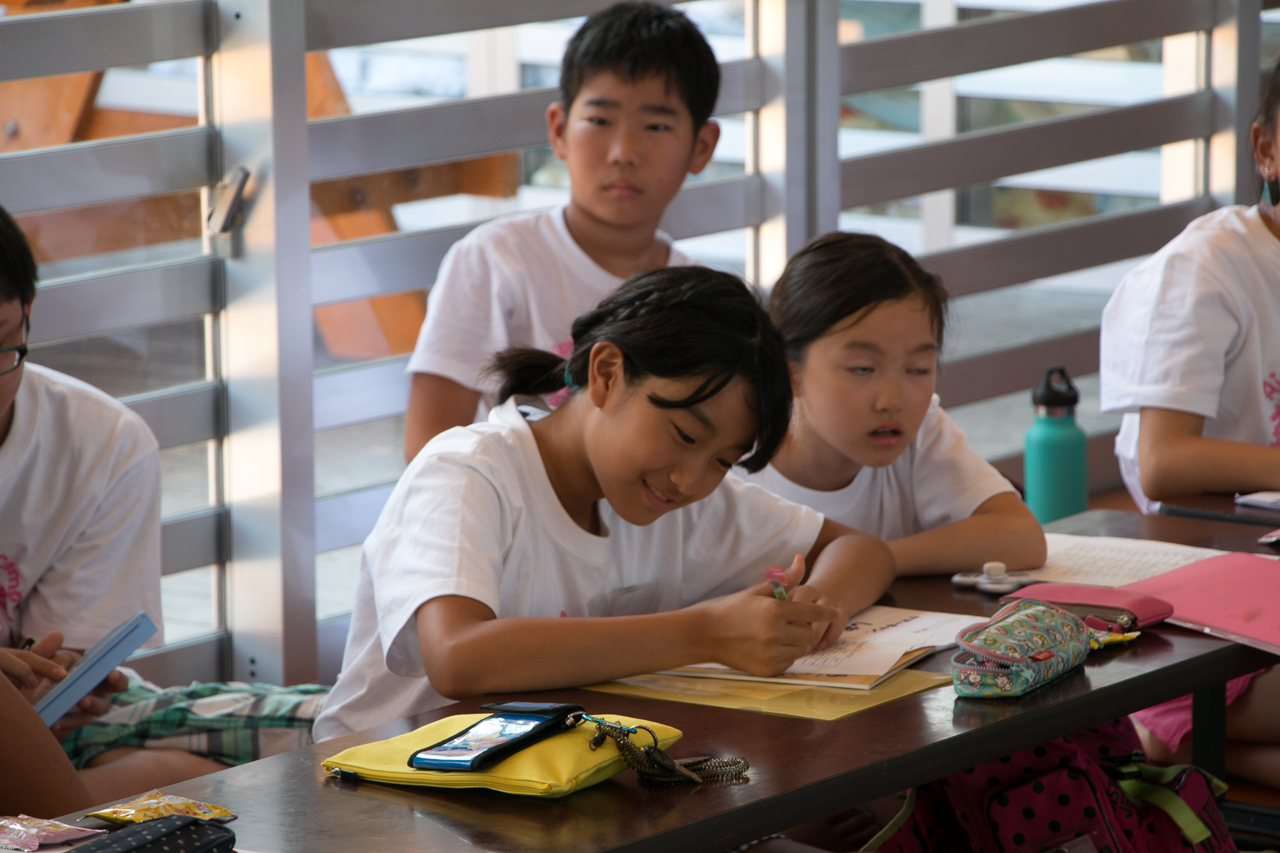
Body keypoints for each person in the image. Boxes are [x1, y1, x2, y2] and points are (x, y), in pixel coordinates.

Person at [313, 267, 896, 740]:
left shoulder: (678, 500)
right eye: (686, 436)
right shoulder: (470, 472)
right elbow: (461, 658)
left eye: (724, 459)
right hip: (381, 792)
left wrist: (817, 609)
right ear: (608, 373)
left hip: (541, 790)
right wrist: (707, 634)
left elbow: (858, 548)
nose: (690, 479)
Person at [0, 202, 324, 803]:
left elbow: (64, 674)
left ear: (28, 317)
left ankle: (98, 798)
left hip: (64, 728)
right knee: (199, 781)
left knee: (337, 726)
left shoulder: (100, 441)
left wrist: (70, 676)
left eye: (2, 351)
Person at [402, 1, 722, 459]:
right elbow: (427, 452)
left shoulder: (703, 303)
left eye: (656, 125)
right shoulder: (494, 261)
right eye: (599, 120)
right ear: (558, 130)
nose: (623, 151)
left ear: (702, 146)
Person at [1099, 62, 1280, 789]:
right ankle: (1168, 727)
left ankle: (1172, 749)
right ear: (1265, 148)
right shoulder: (1206, 268)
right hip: (1208, 590)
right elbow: (1163, 462)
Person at [736, 232, 1045, 576]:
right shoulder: (729, 457)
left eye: (918, 369)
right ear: (790, 370)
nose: (892, 400)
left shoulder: (921, 432)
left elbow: (1022, 536)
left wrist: (868, 562)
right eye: (862, 369)